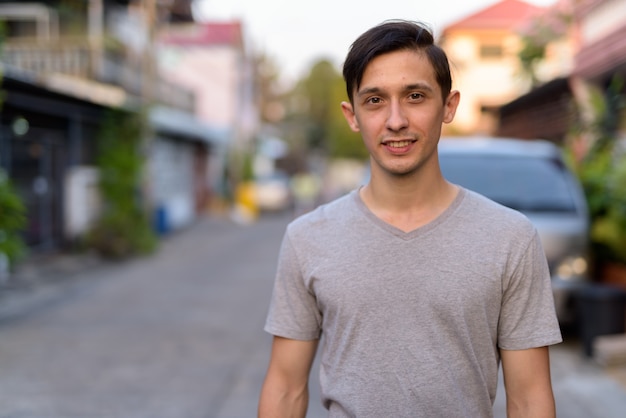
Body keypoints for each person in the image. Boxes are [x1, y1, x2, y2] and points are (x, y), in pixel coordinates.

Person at [258, 20, 562, 418]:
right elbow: (284, 389)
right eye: (375, 100)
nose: (396, 120)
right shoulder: (307, 238)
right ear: (352, 115)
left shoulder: (510, 238)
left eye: (415, 96)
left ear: (448, 106)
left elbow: (529, 399)